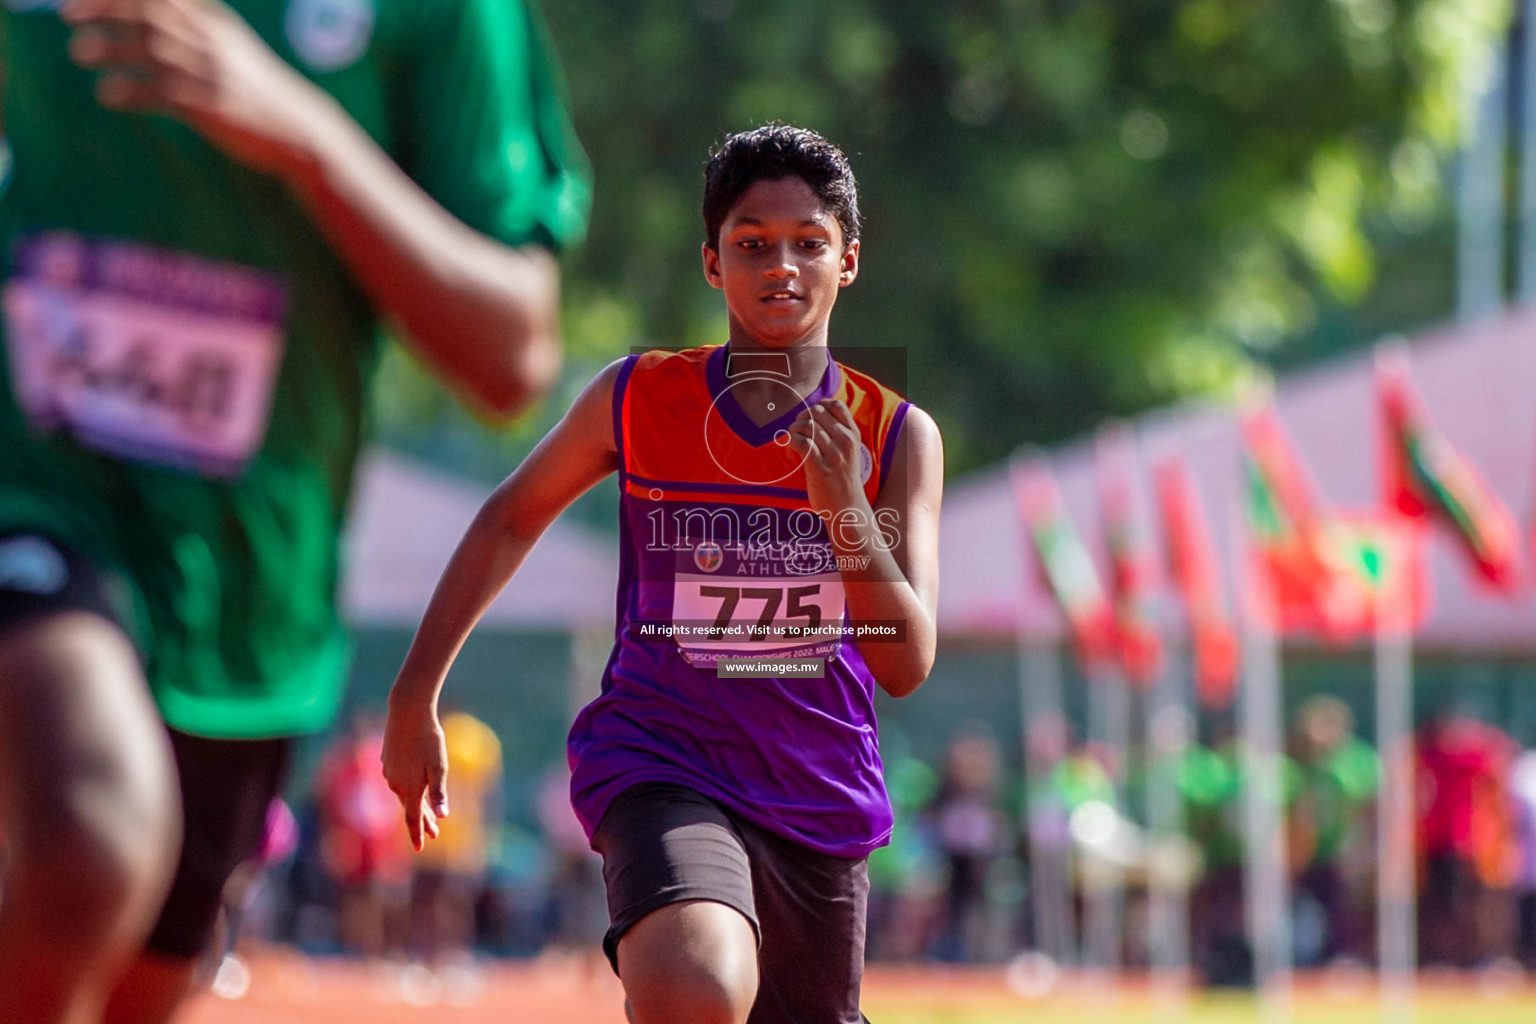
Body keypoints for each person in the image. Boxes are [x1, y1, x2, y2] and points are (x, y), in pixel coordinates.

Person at [0, 0, 590, 1020]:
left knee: (138, 979)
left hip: (249, 593)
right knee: (91, 832)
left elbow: (512, 356)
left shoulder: (444, 21)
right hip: (33, 493)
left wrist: (306, 134)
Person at [383, 124, 944, 1024]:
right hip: (661, 759)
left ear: (848, 262)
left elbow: (906, 662)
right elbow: (507, 519)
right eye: (752, 244)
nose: (781, 266)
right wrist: (416, 697)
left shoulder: (894, 435)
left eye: (809, 243)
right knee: (696, 988)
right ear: (714, 263)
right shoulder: (638, 397)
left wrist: (842, 502)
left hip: (816, 793)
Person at [408, 708, 501, 969]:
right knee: (446, 902)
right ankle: (443, 957)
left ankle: (440, 957)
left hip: (447, 836)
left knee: (442, 902)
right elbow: (489, 796)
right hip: (449, 836)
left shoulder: (469, 740)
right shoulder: (478, 739)